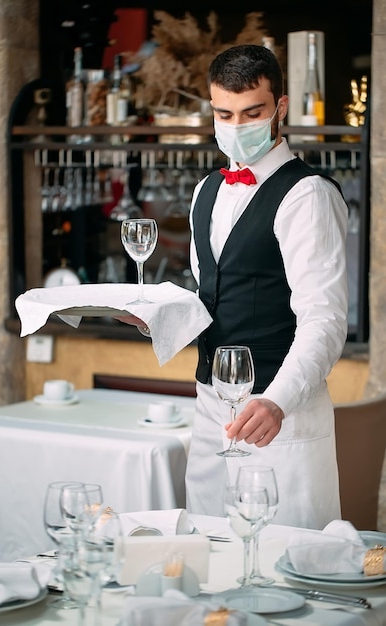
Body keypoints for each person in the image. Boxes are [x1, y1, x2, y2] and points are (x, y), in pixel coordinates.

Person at [184, 44, 349, 530]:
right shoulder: (205, 190)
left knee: (286, 567)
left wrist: (277, 400)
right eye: (223, 113)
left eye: (251, 112)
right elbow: (212, 296)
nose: (236, 126)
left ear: (279, 107)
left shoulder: (308, 195)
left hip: (282, 413)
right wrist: (156, 319)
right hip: (211, 409)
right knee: (208, 558)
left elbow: (325, 319)